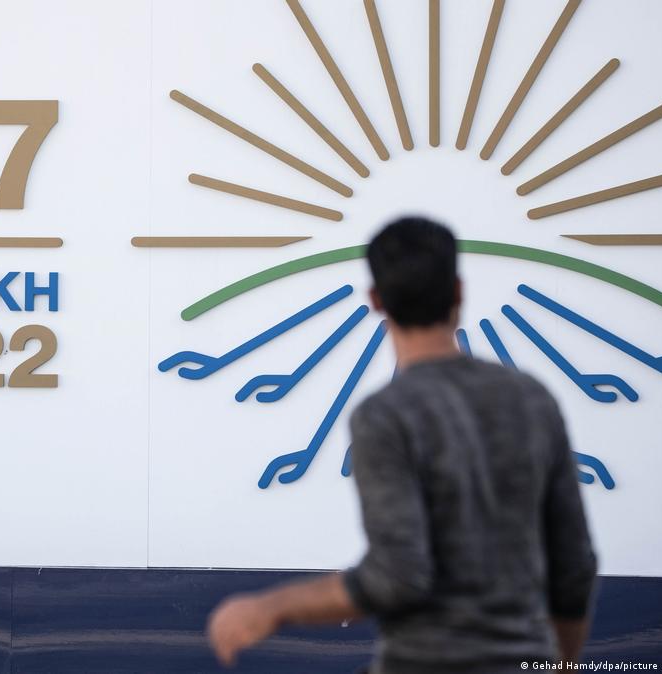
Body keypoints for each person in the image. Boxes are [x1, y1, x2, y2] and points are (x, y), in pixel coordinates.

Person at [207, 217, 598, 673]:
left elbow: (397, 577)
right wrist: (561, 664)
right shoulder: (532, 398)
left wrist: (272, 606)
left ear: (376, 300)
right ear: (458, 292)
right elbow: (574, 564)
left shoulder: (385, 416)